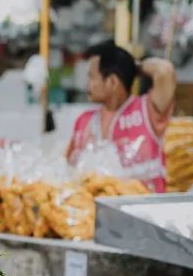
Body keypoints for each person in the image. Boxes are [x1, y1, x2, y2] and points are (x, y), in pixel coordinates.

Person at [66, 42, 177, 193]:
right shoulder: (84, 120)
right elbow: (68, 167)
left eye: (92, 77)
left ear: (112, 82)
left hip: (144, 211)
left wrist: (132, 68)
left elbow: (164, 70)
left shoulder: (148, 110)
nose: (87, 85)